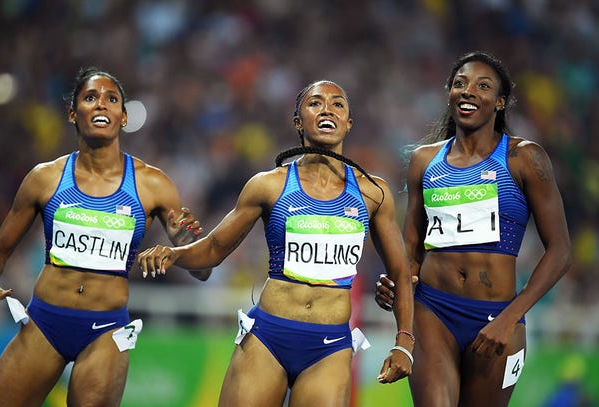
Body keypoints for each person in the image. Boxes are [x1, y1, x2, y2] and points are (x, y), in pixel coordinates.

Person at [138, 80, 415, 406]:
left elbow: (400, 270)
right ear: (298, 121)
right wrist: (174, 254)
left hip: (329, 347)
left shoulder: (373, 192)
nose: (327, 109)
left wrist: (404, 343)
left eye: (337, 104)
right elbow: (214, 249)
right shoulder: (267, 186)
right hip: (268, 337)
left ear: (349, 123)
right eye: (315, 103)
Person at [0, 66, 210, 407]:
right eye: (90, 97)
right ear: (73, 112)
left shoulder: (152, 184)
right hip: (45, 324)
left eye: (111, 99)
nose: (101, 105)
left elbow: (203, 270)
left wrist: (183, 248)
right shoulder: (45, 179)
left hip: (105, 332)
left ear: (123, 116)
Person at [374, 51, 573, 406]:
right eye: (460, 83)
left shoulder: (524, 158)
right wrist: (396, 283)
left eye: (483, 86)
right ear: (449, 92)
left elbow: (560, 251)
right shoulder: (424, 160)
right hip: (432, 310)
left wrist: (511, 317)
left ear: (500, 102)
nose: (468, 91)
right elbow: (411, 248)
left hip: (499, 316)